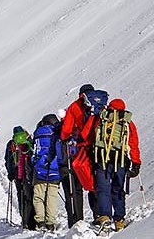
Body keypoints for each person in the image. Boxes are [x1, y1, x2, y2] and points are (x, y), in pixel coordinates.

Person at [82, 99, 141, 232]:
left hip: (101, 158)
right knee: (118, 189)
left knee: (103, 189)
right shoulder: (127, 122)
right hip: (120, 160)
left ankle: (105, 217)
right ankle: (119, 220)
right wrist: (136, 163)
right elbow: (133, 143)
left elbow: (85, 135)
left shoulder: (100, 117)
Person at [61, 84, 108, 225]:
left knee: (83, 183)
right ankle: (100, 214)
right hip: (101, 147)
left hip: (82, 150)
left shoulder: (74, 106)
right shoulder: (100, 103)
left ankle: (78, 219)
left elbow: (65, 131)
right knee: (100, 181)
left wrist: (67, 137)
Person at [32, 114, 64, 232]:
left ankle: (40, 222)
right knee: (52, 197)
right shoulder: (58, 133)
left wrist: (35, 163)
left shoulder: (38, 133)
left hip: (40, 169)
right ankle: (50, 223)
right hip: (55, 170)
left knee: (39, 197)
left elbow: (35, 152)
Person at [5, 126, 36, 230]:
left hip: (16, 173)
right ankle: (32, 221)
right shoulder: (28, 140)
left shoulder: (11, 144)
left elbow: (8, 160)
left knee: (20, 195)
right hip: (28, 172)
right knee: (30, 196)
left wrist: (10, 174)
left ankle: (24, 220)